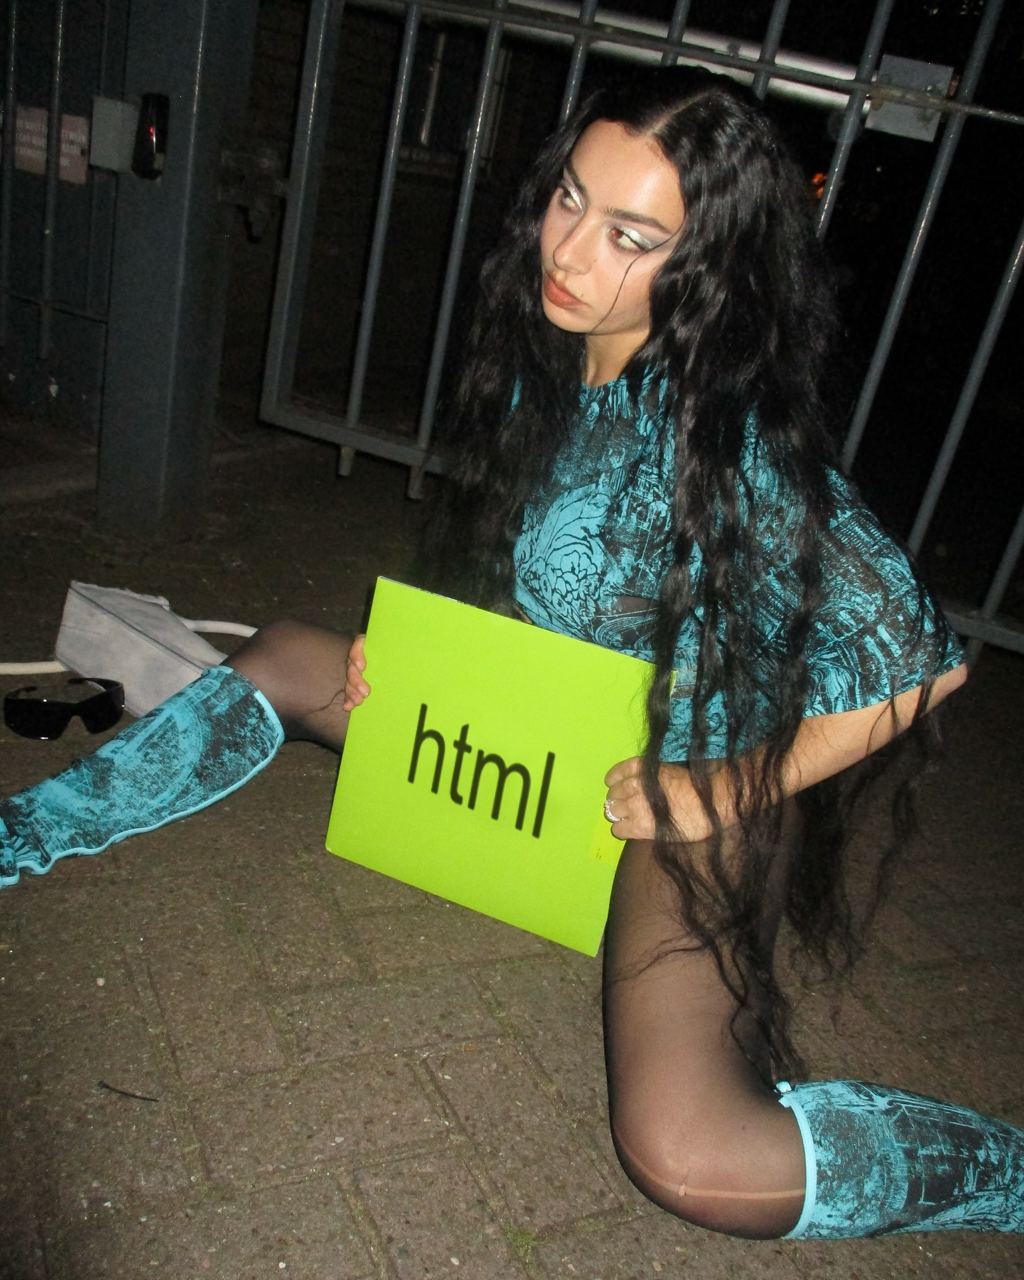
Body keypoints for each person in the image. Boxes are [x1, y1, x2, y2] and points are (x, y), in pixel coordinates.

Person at [0, 67, 1020, 1241]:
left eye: (630, 236)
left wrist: (722, 788)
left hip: (689, 785)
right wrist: (429, 657)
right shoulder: (570, 357)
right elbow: (569, 587)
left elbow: (923, 659)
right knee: (283, 652)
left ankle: (1007, 1171)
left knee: (690, 1153)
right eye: (571, 198)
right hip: (558, 739)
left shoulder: (727, 435)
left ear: (708, 266)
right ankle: (24, 832)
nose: (570, 251)